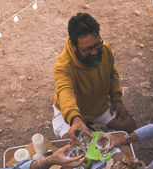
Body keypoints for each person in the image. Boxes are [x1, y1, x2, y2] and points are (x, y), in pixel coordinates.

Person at [52, 12, 136, 142]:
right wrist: (75, 119)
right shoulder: (63, 66)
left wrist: (116, 99)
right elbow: (65, 92)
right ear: (74, 47)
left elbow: (112, 73)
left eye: (97, 44)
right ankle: (84, 125)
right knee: (76, 143)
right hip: (71, 112)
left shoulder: (105, 50)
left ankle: (89, 125)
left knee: (129, 125)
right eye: (87, 49)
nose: (95, 52)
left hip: (98, 106)